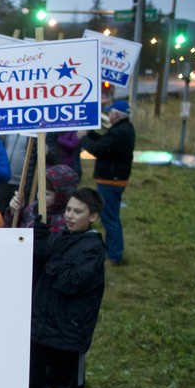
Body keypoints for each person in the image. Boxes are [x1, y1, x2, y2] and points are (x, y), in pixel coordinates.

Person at [27, 187, 106, 388]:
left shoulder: (92, 248)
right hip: (49, 321)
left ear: (92, 216)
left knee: (70, 378)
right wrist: (38, 238)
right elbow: (41, 258)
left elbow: (71, 282)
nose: (70, 216)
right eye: (68, 210)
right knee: (52, 371)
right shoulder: (62, 237)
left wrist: (52, 260)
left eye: (78, 211)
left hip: (72, 326)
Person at [79, 99, 135, 265]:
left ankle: (114, 255)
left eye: (110, 112)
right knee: (110, 216)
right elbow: (104, 141)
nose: (108, 114)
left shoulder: (120, 132)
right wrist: (90, 133)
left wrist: (83, 138)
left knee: (110, 218)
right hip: (113, 180)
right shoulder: (122, 129)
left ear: (116, 115)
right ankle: (113, 252)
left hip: (111, 181)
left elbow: (98, 149)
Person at [4, 164, 78, 232]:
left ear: (61, 197)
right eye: (39, 190)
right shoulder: (32, 208)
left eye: (46, 194)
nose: (40, 196)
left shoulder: (65, 222)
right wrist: (14, 212)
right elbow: (11, 233)